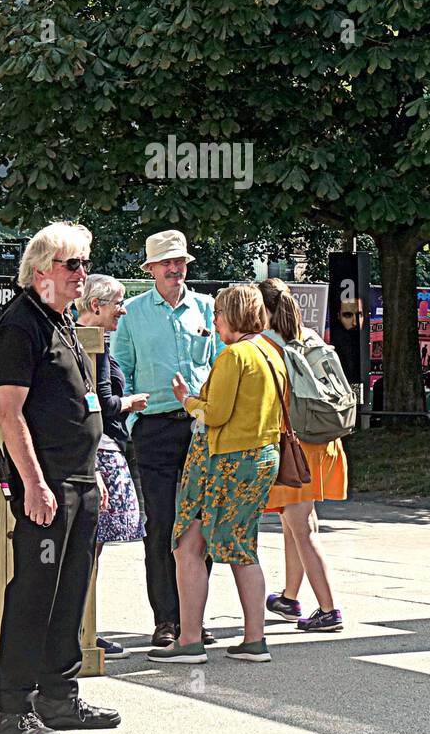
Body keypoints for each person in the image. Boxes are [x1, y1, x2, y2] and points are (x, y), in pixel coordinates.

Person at [0, 221, 120, 734]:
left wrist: (94, 475)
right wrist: (35, 485)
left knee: (71, 593)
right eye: (72, 265)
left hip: (80, 480)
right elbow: (8, 415)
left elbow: (79, 405)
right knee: (34, 595)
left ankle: (59, 696)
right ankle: (13, 710)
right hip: (47, 486)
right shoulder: (21, 326)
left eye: (85, 264)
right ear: (41, 271)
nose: (81, 274)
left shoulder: (60, 320)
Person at [149, 283, 283, 665]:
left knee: (187, 545)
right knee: (243, 547)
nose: (215, 320)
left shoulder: (234, 355)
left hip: (223, 461)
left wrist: (187, 399)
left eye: (220, 313)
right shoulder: (271, 353)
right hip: (261, 457)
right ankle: (254, 639)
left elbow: (215, 414)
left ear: (235, 315)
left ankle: (189, 639)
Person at [112, 230, 220, 647]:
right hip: (155, 427)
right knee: (160, 525)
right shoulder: (133, 314)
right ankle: (166, 619)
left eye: (180, 263)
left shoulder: (207, 310)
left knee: (199, 525)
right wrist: (134, 422)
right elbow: (119, 369)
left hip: (199, 428)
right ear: (151, 270)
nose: (175, 269)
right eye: (166, 263)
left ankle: (194, 617)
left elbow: (218, 365)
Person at [258, 280, 349, 632]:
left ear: (263, 310)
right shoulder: (309, 337)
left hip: (294, 446)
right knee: (295, 522)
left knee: (302, 526)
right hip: (322, 440)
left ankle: (329, 609)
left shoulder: (268, 345)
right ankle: (290, 597)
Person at [76, 274, 149, 659]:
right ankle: (82, 631)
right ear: (95, 306)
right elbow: (101, 404)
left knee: (90, 549)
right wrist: (130, 403)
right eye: (118, 302)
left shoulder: (87, 342)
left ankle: (83, 629)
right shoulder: (95, 346)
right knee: (89, 549)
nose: (123, 309)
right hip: (100, 453)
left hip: (97, 451)